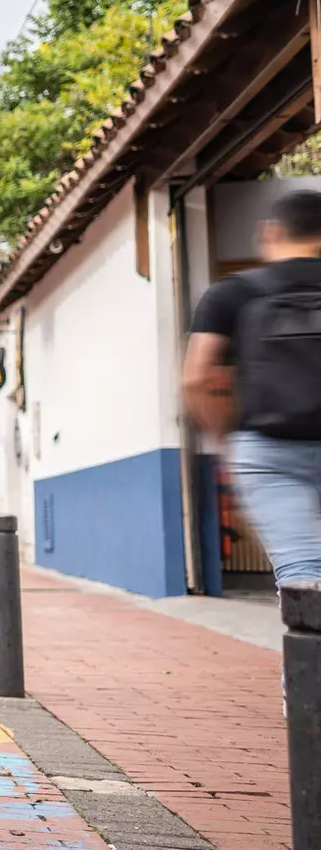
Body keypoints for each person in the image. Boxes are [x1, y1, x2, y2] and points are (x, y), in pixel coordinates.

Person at [184, 188, 321, 584]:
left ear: (271, 232)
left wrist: (226, 442)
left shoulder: (234, 292)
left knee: (302, 570)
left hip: (267, 451)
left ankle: (306, 645)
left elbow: (196, 378)